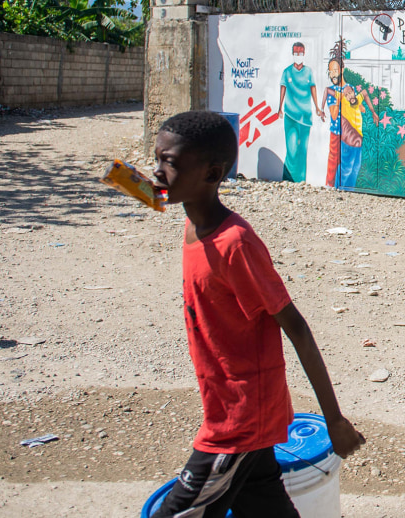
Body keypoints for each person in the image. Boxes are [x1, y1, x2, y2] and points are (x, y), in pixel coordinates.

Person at [151, 111, 364, 518]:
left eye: (170, 163)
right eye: (156, 158)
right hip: (234, 405)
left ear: (213, 173)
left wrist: (334, 421)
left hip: (239, 419)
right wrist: (117, 176)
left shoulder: (236, 245)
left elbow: (297, 328)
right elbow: (156, 191)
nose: (157, 172)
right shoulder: (195, 213)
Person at [275, 42, 324, 183]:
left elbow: (313, 88)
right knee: (291, 149)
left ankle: (300, 180)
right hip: (290, 115)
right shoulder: (287, 72)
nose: (298, 55)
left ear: (304, 54)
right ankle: (288, 178)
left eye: (301, 53)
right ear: (292, 54)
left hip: (305, 116)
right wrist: (280, 108)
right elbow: (283, 88)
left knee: (302, 150)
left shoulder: (308, 71)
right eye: (296, 53)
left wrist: (317, 107)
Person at [323, 58, 367, 191]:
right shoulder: (332, 91)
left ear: (342, 70)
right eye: (331, 72)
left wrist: (359, 105)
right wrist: (338, 99)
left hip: (352, 134)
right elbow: (334, 115)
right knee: (334, 163)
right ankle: (331, 188)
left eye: (335, 70)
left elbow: (358, 107)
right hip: (337, 132)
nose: (333, 74)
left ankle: (348, 190)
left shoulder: (350, 88)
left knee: (353, 166)